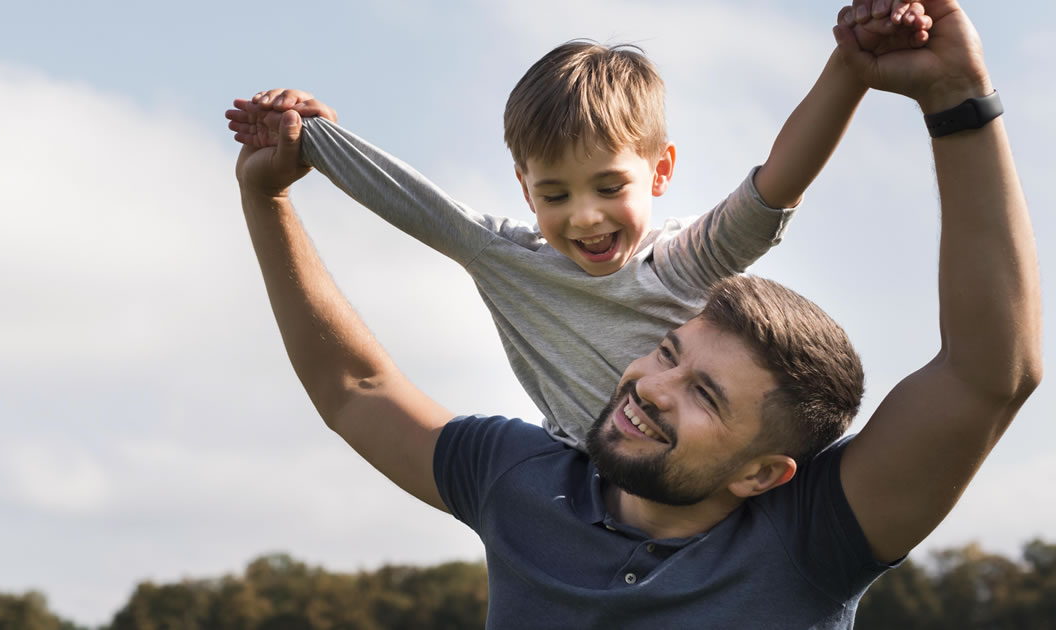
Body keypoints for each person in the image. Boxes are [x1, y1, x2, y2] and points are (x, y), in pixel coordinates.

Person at [231, 0, 1041, 627]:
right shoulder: (519, 484)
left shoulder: (814, 539)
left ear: (764, 472)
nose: (655, 386)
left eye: (707, 396)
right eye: (666, 350)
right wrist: (266, 197)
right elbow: (355, 390)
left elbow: (989, 374)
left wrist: (957, 99)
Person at [226, 3, 931, 451]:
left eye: (609, 185)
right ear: (524, 189)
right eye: (554, 193)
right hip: (585, 484)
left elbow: (779, 180)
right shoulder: (507, 257)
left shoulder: (684, 264)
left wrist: (852, 63)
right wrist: (306, 134)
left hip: (721, 481)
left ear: (659, 173)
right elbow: (412, 200)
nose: (584, 216)